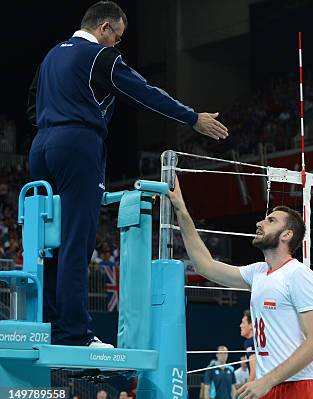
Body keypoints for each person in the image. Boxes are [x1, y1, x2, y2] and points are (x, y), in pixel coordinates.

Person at [26, 0, 228, 347]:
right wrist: (193, 118)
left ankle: (48, 324)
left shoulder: (51, 56)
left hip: (41, 146)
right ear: (103, 28)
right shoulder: (99, 57)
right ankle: (74, 334)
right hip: (77, 146)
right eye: (117, 37)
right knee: (77, 240)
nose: (117, 45)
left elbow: (32, 106)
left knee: (47, 242)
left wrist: (58, 124)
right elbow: (145, 93)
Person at [168, 177, 313, 399]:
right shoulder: (258, 272)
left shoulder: (298, 274)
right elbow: (205, 266)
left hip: (296, 388)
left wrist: (267, 381)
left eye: (271, 220)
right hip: (266, 388)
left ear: (287, 235)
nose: (260, 223)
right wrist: (181, 208)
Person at [240, 309, 257, 381]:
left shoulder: (250, 342)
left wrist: (249, 389)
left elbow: (254, 370)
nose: (240, 325)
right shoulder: (256, 340)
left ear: (251, 325)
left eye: (243, 323)